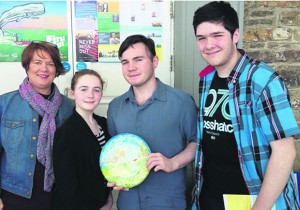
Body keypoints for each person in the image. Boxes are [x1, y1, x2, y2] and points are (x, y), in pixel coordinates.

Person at [192, 1, 300, 210]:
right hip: (210, 198)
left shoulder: (264, 81)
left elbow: (285, 153)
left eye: (217, 35)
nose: (208, 45)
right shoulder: (206, 79)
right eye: (201, 38)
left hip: (255, 200)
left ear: (235, 35)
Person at [107, 34, 198, 210]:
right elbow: (113, 152)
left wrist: (173, 163)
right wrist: (115, 175)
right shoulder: (115, 107)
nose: (131, 67)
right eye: (125, 62)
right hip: (128, 202)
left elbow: (199, 142)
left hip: (167, 202)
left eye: (138, 59)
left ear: (154, 61)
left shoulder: (182, 102)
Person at [0, 41, 73, 210]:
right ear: (27, 66)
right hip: (14, 196)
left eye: (50, 64)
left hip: (57, 196)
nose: (44, 69)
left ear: (56, 70)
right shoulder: (5, 104)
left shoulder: (69, 107)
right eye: (37, 62)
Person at [52, 69, 112, 210]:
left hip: (101, 201)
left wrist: (108, 198)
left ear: (101, 94)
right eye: (83, 89)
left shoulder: (103, 123)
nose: (90, 95)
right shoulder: (66, 133)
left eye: (96, 90)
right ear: (73, 94)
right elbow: (67, 188)